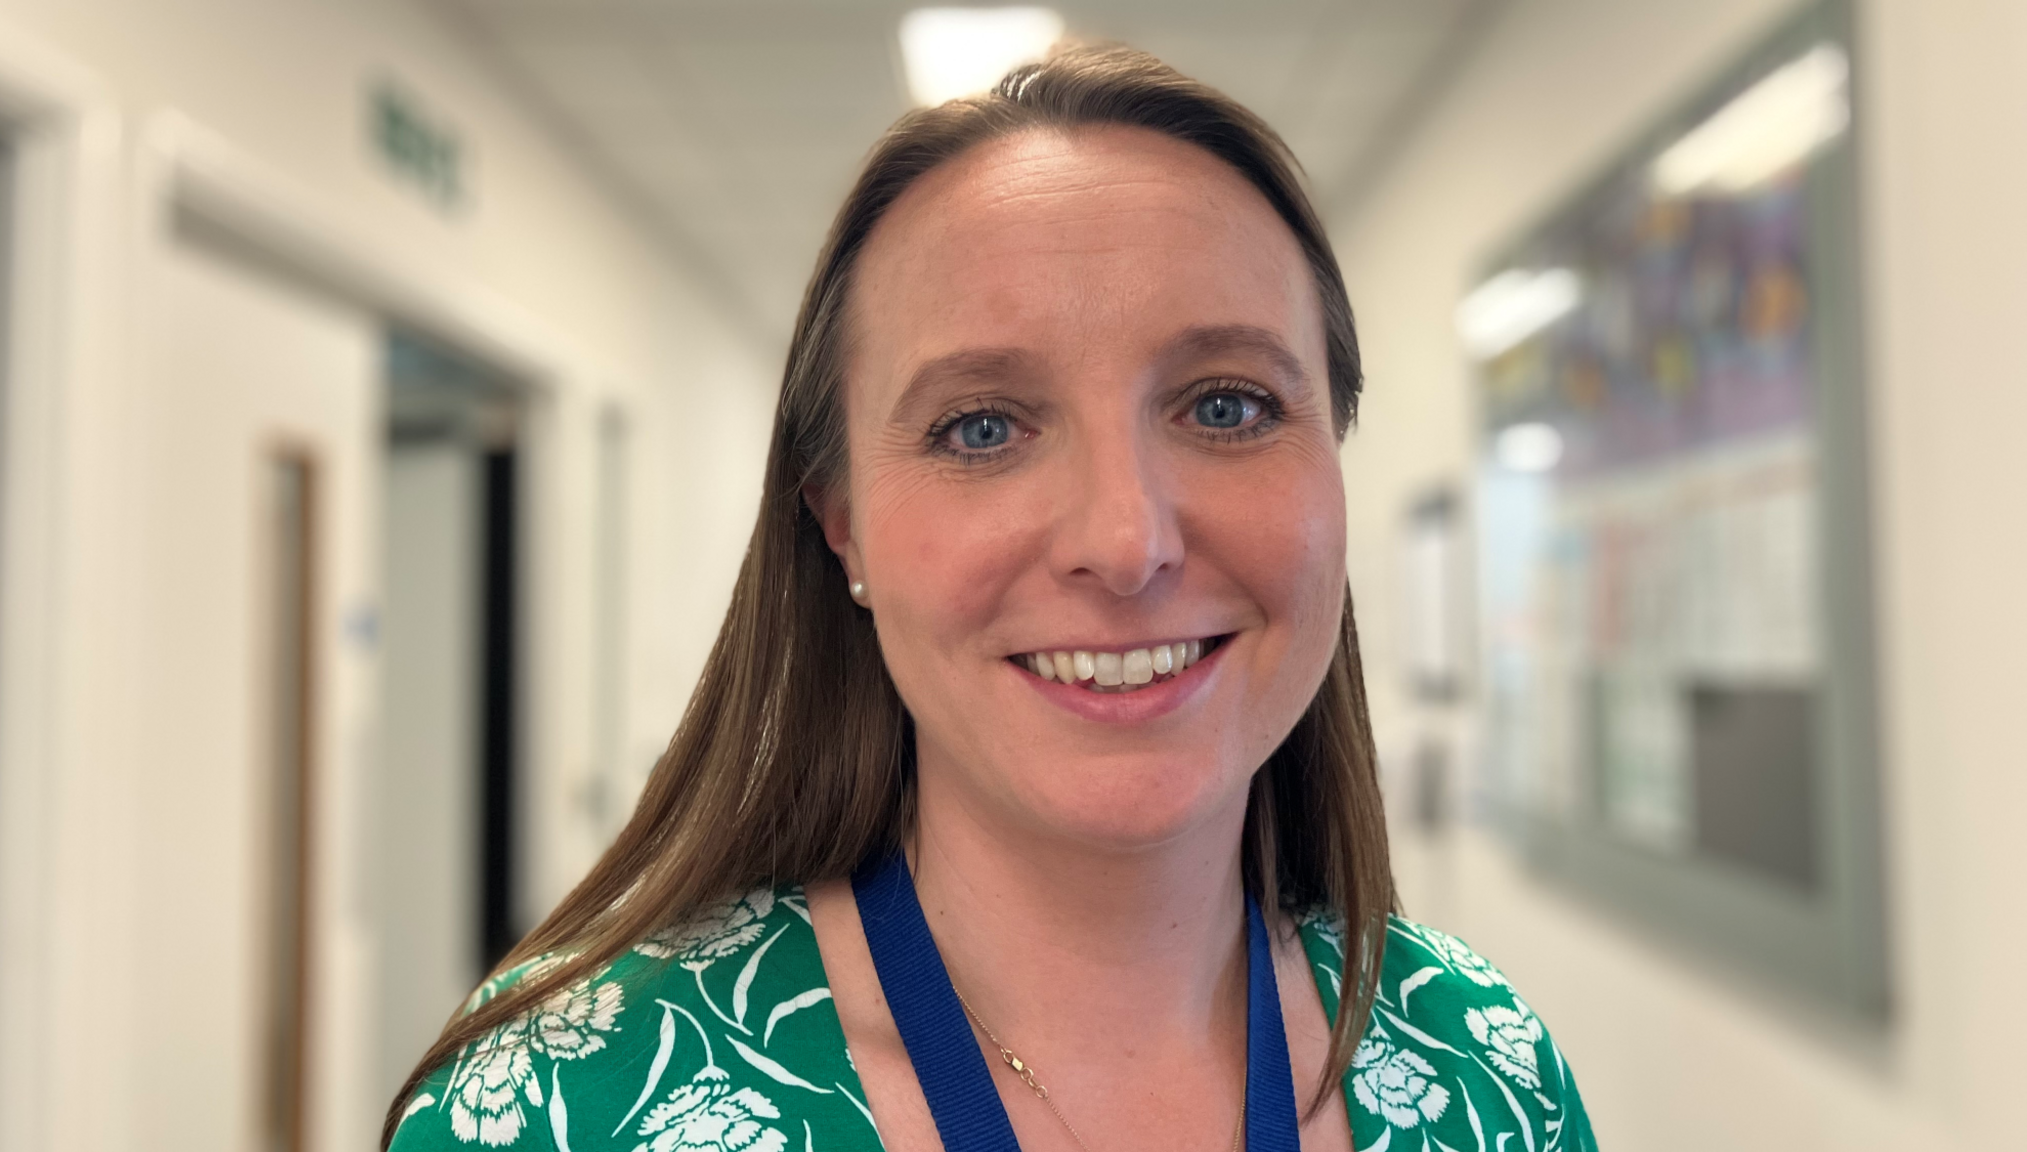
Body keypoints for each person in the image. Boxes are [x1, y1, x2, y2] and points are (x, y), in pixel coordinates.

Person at [384, 44, 1595, 1152]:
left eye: (1225, 405)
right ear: (839, 522)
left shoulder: (1489, 1077)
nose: (1126, 542)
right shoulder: (557, 1103)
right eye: (980, 427)